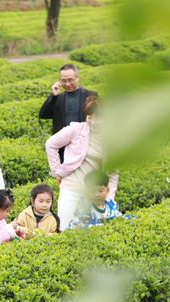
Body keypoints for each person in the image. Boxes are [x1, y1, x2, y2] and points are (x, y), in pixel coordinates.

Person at [45, 96, 118, 228]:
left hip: (94, 193)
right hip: (72, 187)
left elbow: (113, 172)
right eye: (90, 117)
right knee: (66, 229)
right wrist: (57, 172)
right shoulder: (76, 130)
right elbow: (51, 144)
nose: (94, 122)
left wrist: (109, 197)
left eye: (98, 117)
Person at [39, 64, 97, 161]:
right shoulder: (58, 98)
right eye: (64, 81)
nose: (67, 84)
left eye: (70, 80)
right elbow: (43, 114)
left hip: (86, 146)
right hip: (64, 150)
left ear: (77, 78)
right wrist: (53, 96)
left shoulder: (90, 95)